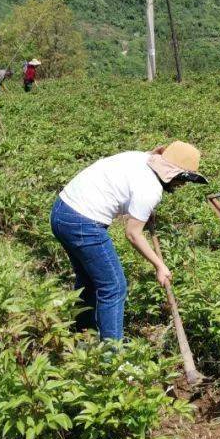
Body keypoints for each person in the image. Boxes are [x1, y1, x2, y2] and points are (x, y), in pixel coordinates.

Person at [50, 142, 208, 340]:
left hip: (61, 211)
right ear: (173, 174)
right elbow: (133, 234)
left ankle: (82, 335)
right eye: (182, 179)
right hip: (82, 224)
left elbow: (128, 191)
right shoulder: (150, 189)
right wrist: (160, 265)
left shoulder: (140, 158)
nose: (182, 184)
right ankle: (113, 357)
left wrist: (142, 213)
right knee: (114, 288)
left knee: (89, 280)